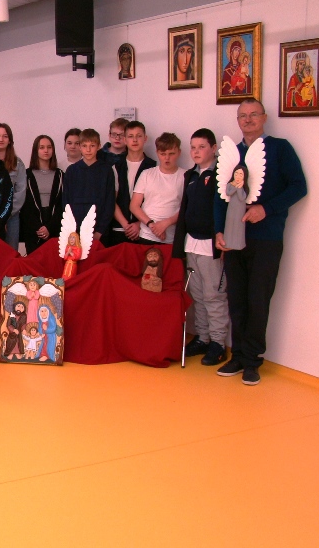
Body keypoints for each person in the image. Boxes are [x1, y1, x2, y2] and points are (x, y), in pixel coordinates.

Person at [214, 99, 307, 385]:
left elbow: (299, 187)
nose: (248, 119)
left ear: (264, 117)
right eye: (242, 115)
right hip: (233, 240)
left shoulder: (280, 149)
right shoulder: (231, 154)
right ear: (237, 120)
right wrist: (219, 231)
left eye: (254, 114)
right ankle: (238, 356)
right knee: (236, 299)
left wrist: (266, 209)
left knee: (258, 299)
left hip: (266, 239)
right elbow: (220, 197)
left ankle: (252, 361)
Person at [172, 128, 229, 366]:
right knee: (197, 295)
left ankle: (218, 343)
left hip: (210, 245)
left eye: (202, 147)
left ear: (213, 149)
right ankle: (203, 338)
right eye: (193, 147)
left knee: (213, 295)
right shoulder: (191, 175)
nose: (196, 152)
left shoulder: (221, 175)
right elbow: (185, 209)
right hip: (191, 243)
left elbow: (225, 210)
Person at [105, 121, 157, 247]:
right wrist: (126, 225)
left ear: (145, 138)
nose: (134, 140)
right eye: (130, 136)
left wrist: (139, 224)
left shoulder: (153, 167)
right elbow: (111, 200)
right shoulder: (116, 167)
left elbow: (155, 202)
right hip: (119, 229)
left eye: (138, 136)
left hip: (145, 230)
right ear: (125, 139)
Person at [130, 132, 187, 244]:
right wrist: (152, 225)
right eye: (163, 154)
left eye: (171, 153)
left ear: (179, 152)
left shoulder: (186, 176)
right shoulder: (147, 174)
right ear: (157, 153)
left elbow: (187, 207)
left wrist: (166, 223)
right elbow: (134, 205)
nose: (167, 158)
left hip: (172, 238)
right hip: (146, 235)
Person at [62, 129, 115, 241]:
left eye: (92, 145)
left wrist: (100, 231)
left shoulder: (106, 170)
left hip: (100, 231)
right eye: (84, 146)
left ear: (99, 146)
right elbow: (66, 201)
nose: (88, 150)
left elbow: (109, 203)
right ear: (80, 147)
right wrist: (71, 228)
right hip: (75, 230)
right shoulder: (72, 170)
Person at [20, 135, 64, 254]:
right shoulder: (26, 175)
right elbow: (25, 206)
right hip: (33, 227)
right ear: (36, 150)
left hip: (54, 226)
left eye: (49, 147)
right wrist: (38, 228)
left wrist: (49, 227)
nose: (46, 150)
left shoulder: (60, 175)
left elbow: (62, 205)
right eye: (42, 147)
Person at [0, 123, 26, 250]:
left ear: (10, 140)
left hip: (11, 216)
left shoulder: (18, 164)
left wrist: (5, 215)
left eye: (5, 136)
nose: (1, 139)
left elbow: (20, 192)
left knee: (11, 252)